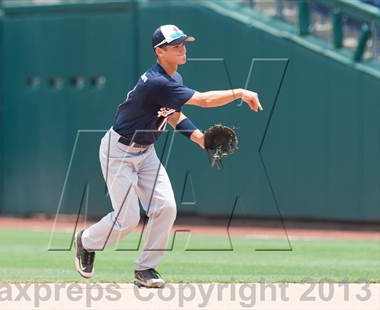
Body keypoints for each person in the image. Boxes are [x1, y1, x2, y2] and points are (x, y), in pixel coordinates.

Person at [74, 24, 263, 288]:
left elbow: (172, 114)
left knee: (166, 207)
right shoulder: (157, 82)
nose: (183, 48)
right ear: (159, 52)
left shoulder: (173, 80)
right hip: (118, 152)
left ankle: (145, 269)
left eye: (184, 43)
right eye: (176, 46)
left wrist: (198, 137)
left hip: (146, 151)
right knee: (128, 219)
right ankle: (86, 241)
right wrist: (240, 92)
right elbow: (205, 101)